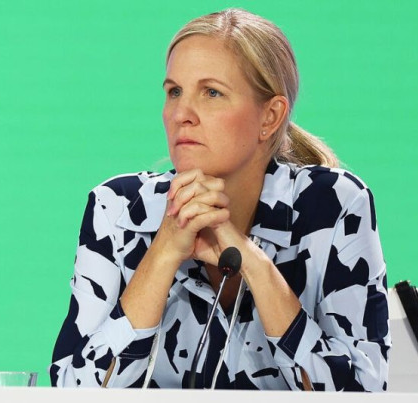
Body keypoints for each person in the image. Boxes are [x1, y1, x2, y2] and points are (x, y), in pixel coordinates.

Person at [50, 8, 390, 391]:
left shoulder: (332, 206)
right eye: (174, 92)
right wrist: (162, 253)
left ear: (270, 117)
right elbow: (72, 391)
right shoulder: (118, 209)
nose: (181, 113)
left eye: (211, 92)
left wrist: (254, 264)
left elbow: (363, 393)